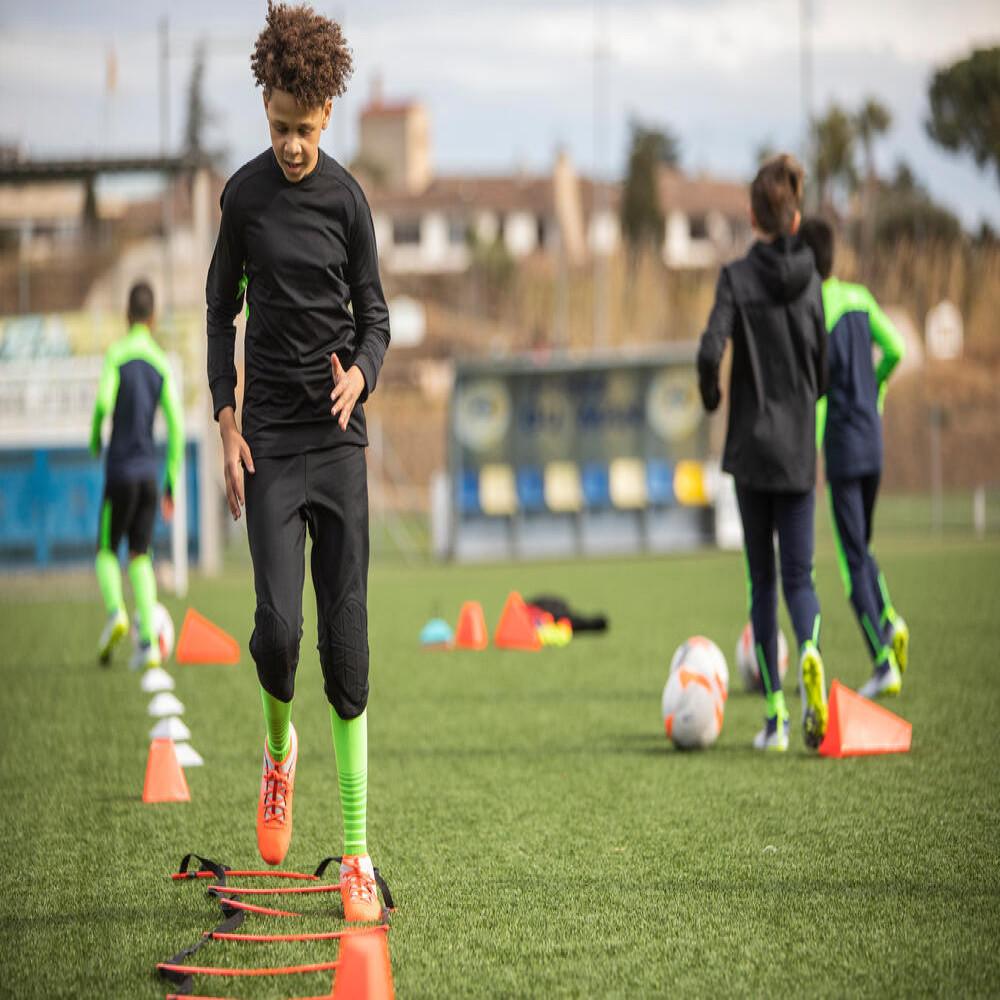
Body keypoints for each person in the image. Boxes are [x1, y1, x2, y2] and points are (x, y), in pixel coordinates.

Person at [205, 1, 390, 921]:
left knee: (346, 652)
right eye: (279, 128)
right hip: (271, 442)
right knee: (278, 634)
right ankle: (280, 756)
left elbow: (379, 317)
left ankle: (356, 853)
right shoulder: (242, 199)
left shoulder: (350, 201)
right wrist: (226, 421)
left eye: (306, 131)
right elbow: (217, 314)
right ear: (266, 108)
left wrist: (361, 373)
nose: (291, 147)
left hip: (340, 442)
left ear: (329, 115)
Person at [696, 154, 828, 752]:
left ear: (752, 215)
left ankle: (774, 717)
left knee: (762, 580)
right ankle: (810, 653)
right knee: (801, 576)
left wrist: (712, 394)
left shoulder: (735, 278)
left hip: (751, 447)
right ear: (794, 216)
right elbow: (820, 363)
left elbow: (708, 349)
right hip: (799, 447)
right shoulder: (812, 277)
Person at [799, 217, 908, 698]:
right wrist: (878, 385)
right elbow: (897, 349)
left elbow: (817, 394)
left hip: (843, 447)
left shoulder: (811, 310)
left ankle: (883, 659)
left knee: (850, 562)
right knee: (863, 547)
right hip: (874, 440)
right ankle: (889, 618)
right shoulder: (861, 297)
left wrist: (814, 444)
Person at [91, 279, 183, 692]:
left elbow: (102, 404)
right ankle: (147, 641)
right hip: (149, 474)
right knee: (142, 555)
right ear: (153, 317)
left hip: (120, 472)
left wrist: (96, 436)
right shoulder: (161, 362)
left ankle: (116, 613)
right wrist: (170, 481)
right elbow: (177, 426)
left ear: (127, 315)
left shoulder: (116, 354)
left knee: (108, 550)